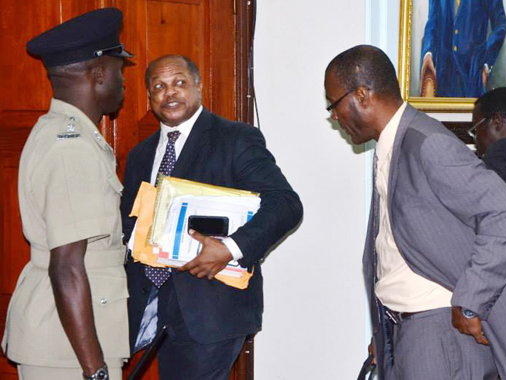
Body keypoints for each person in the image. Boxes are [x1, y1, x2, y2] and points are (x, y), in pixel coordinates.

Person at [324, 45, 506, 380]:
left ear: (362, 95)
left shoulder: (427, 143)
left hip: (438, 333)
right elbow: (405, 248)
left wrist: (470, 300)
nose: (334, 116)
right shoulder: (393, 144)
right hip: (407, 328)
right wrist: (384, 331)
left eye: (334, 105)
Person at [121, 54, 303, 380]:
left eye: (179, 83)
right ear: (149, 97)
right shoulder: (140, 155)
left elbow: (286, 204)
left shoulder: (235, 139)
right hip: (150, 306)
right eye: (159, 87)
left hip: (211, 309)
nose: (170, 93)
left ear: (198, 86)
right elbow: (130, 226)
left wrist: (230, 248)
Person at [1, 8, 133, 380]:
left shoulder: (65, 133)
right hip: (70, 352)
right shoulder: (71, 146)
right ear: (99, 73)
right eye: (120, 71)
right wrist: (95, 372)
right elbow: (67, 268)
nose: (124, 83)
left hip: (68, 340)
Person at [420, 0, 506, 98]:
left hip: (473, 78)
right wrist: (428, 54)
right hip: (443, 78)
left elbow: (500, 25)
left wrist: (486, 66)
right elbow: (432, 20)